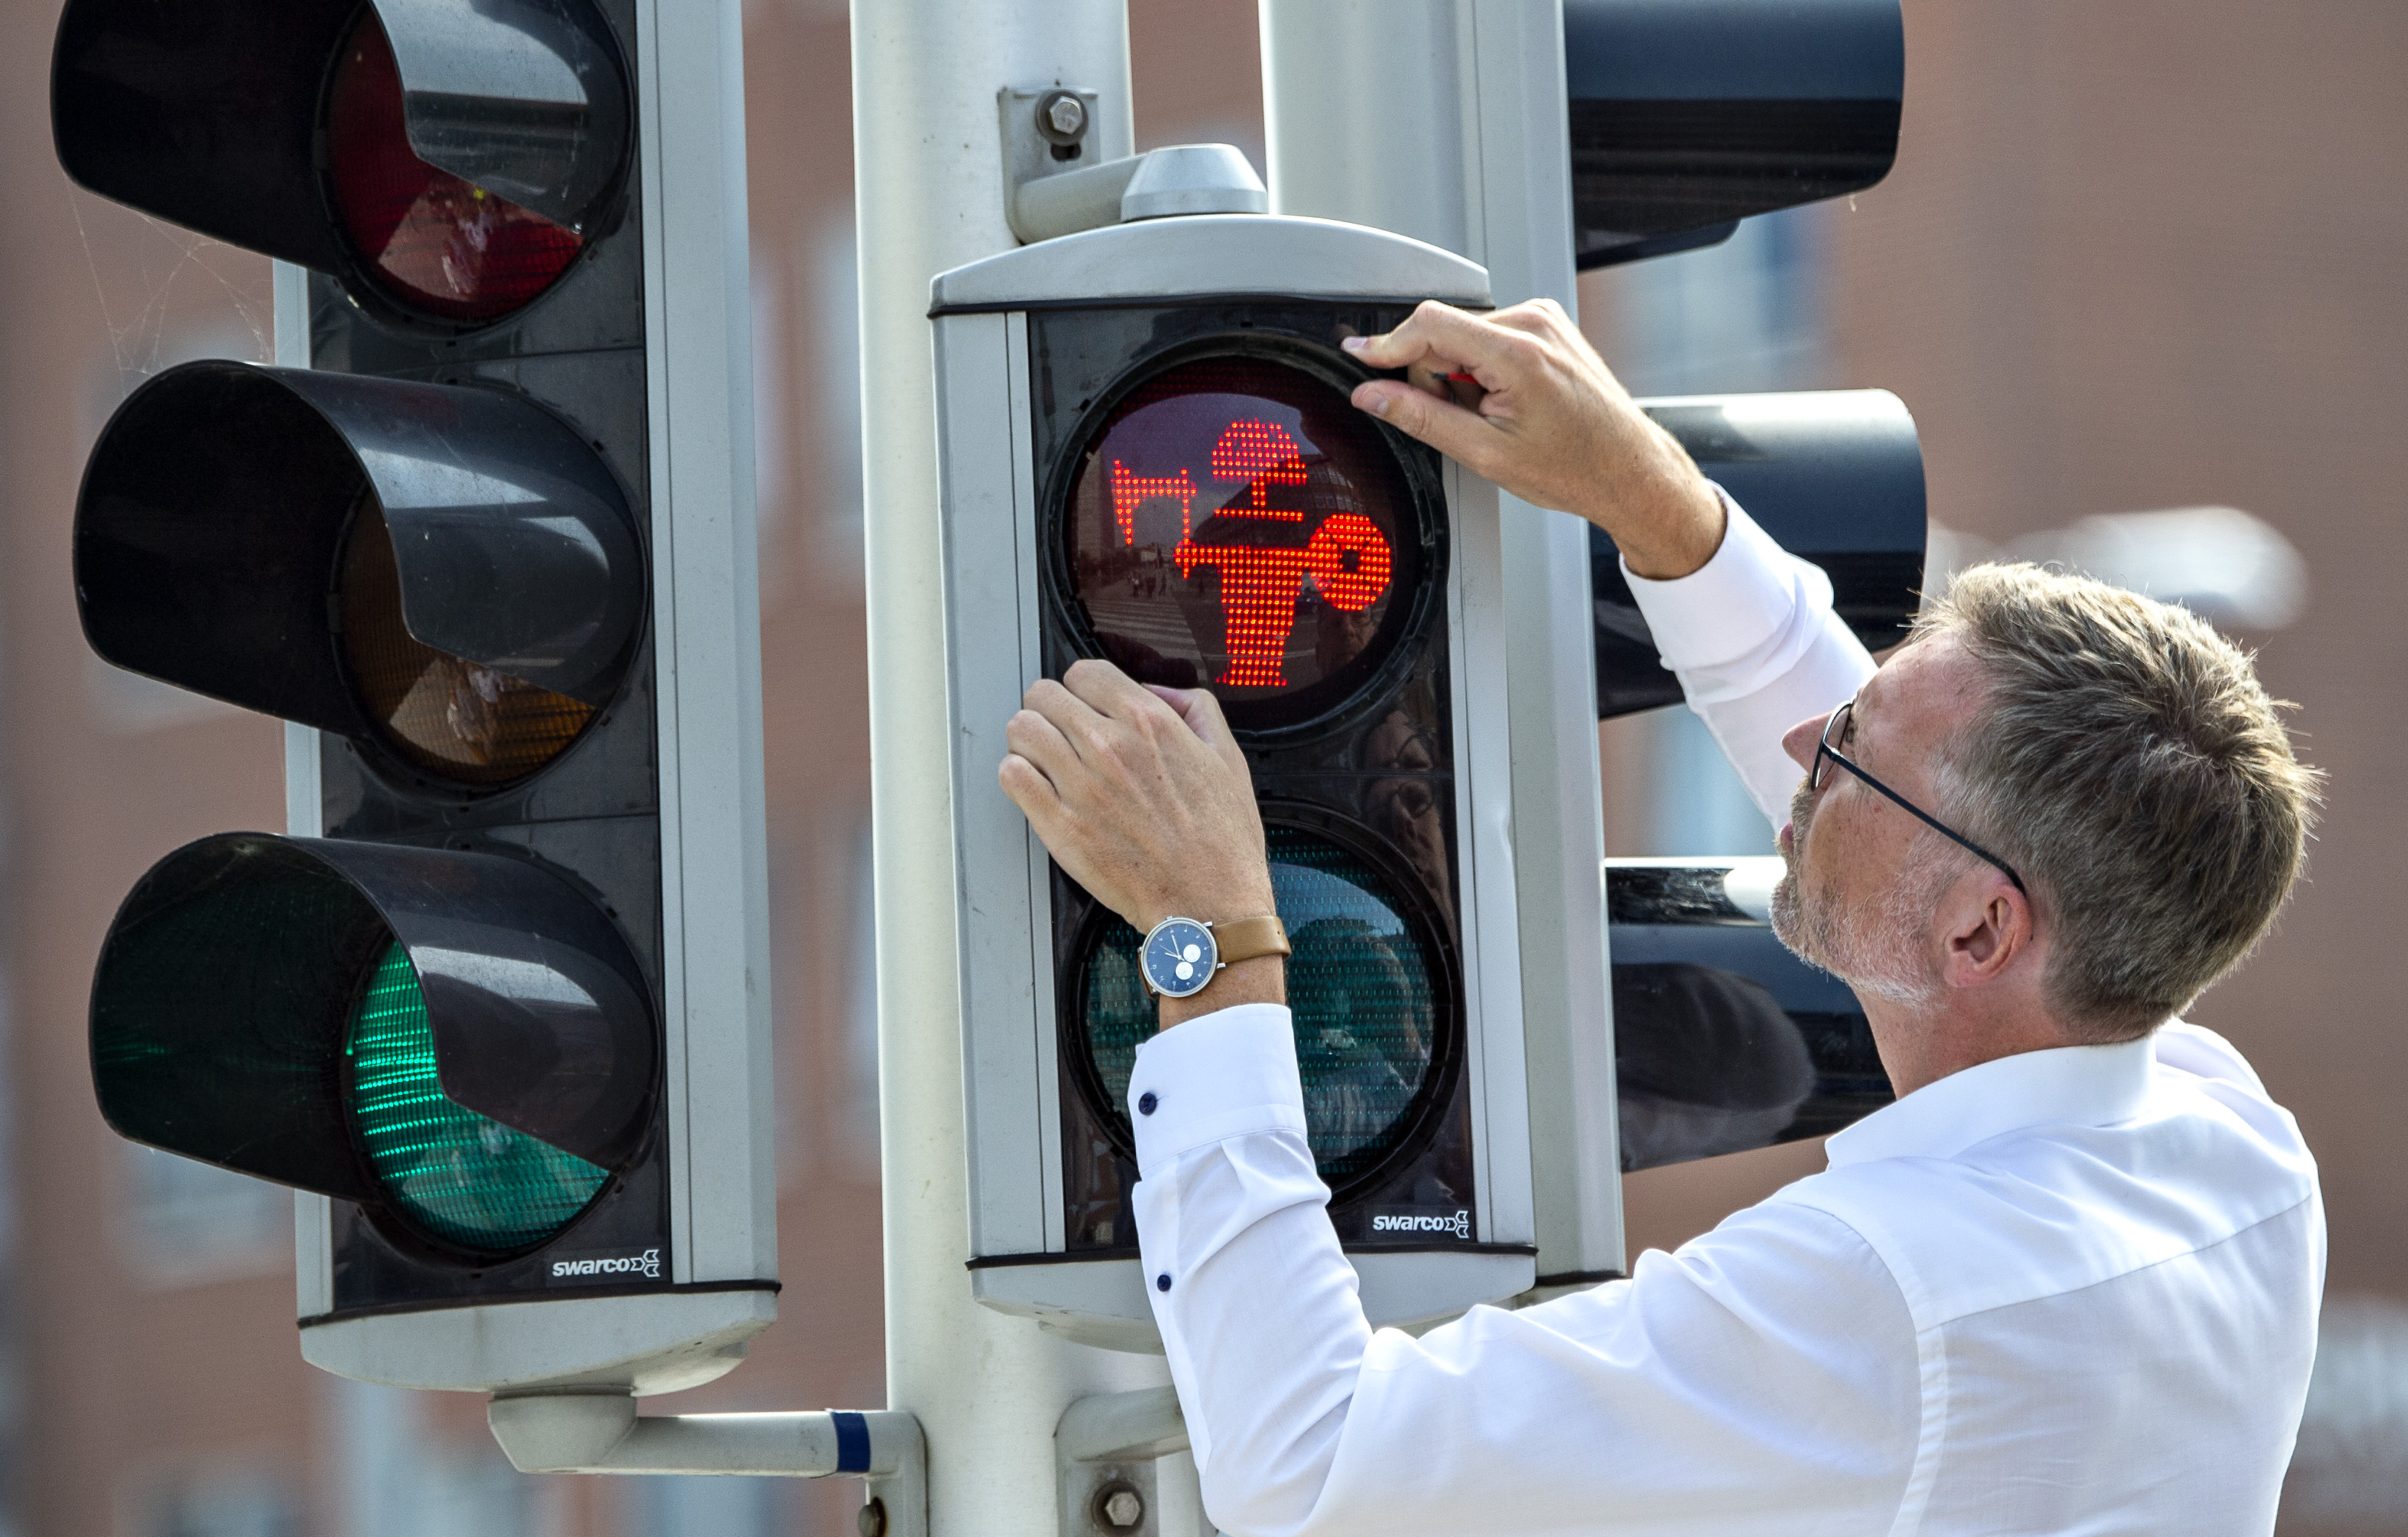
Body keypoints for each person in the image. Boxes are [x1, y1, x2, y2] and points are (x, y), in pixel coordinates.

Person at [998, 299, 2324, 1536]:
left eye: (1850, 757)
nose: (1807, 742)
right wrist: (1650, 501)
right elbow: (1913, 821)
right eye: (1853, 709)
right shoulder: (2224, 1148)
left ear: (1979, 938)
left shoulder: (1878, 1299)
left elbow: (1312, 1469)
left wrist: (1209, 934)